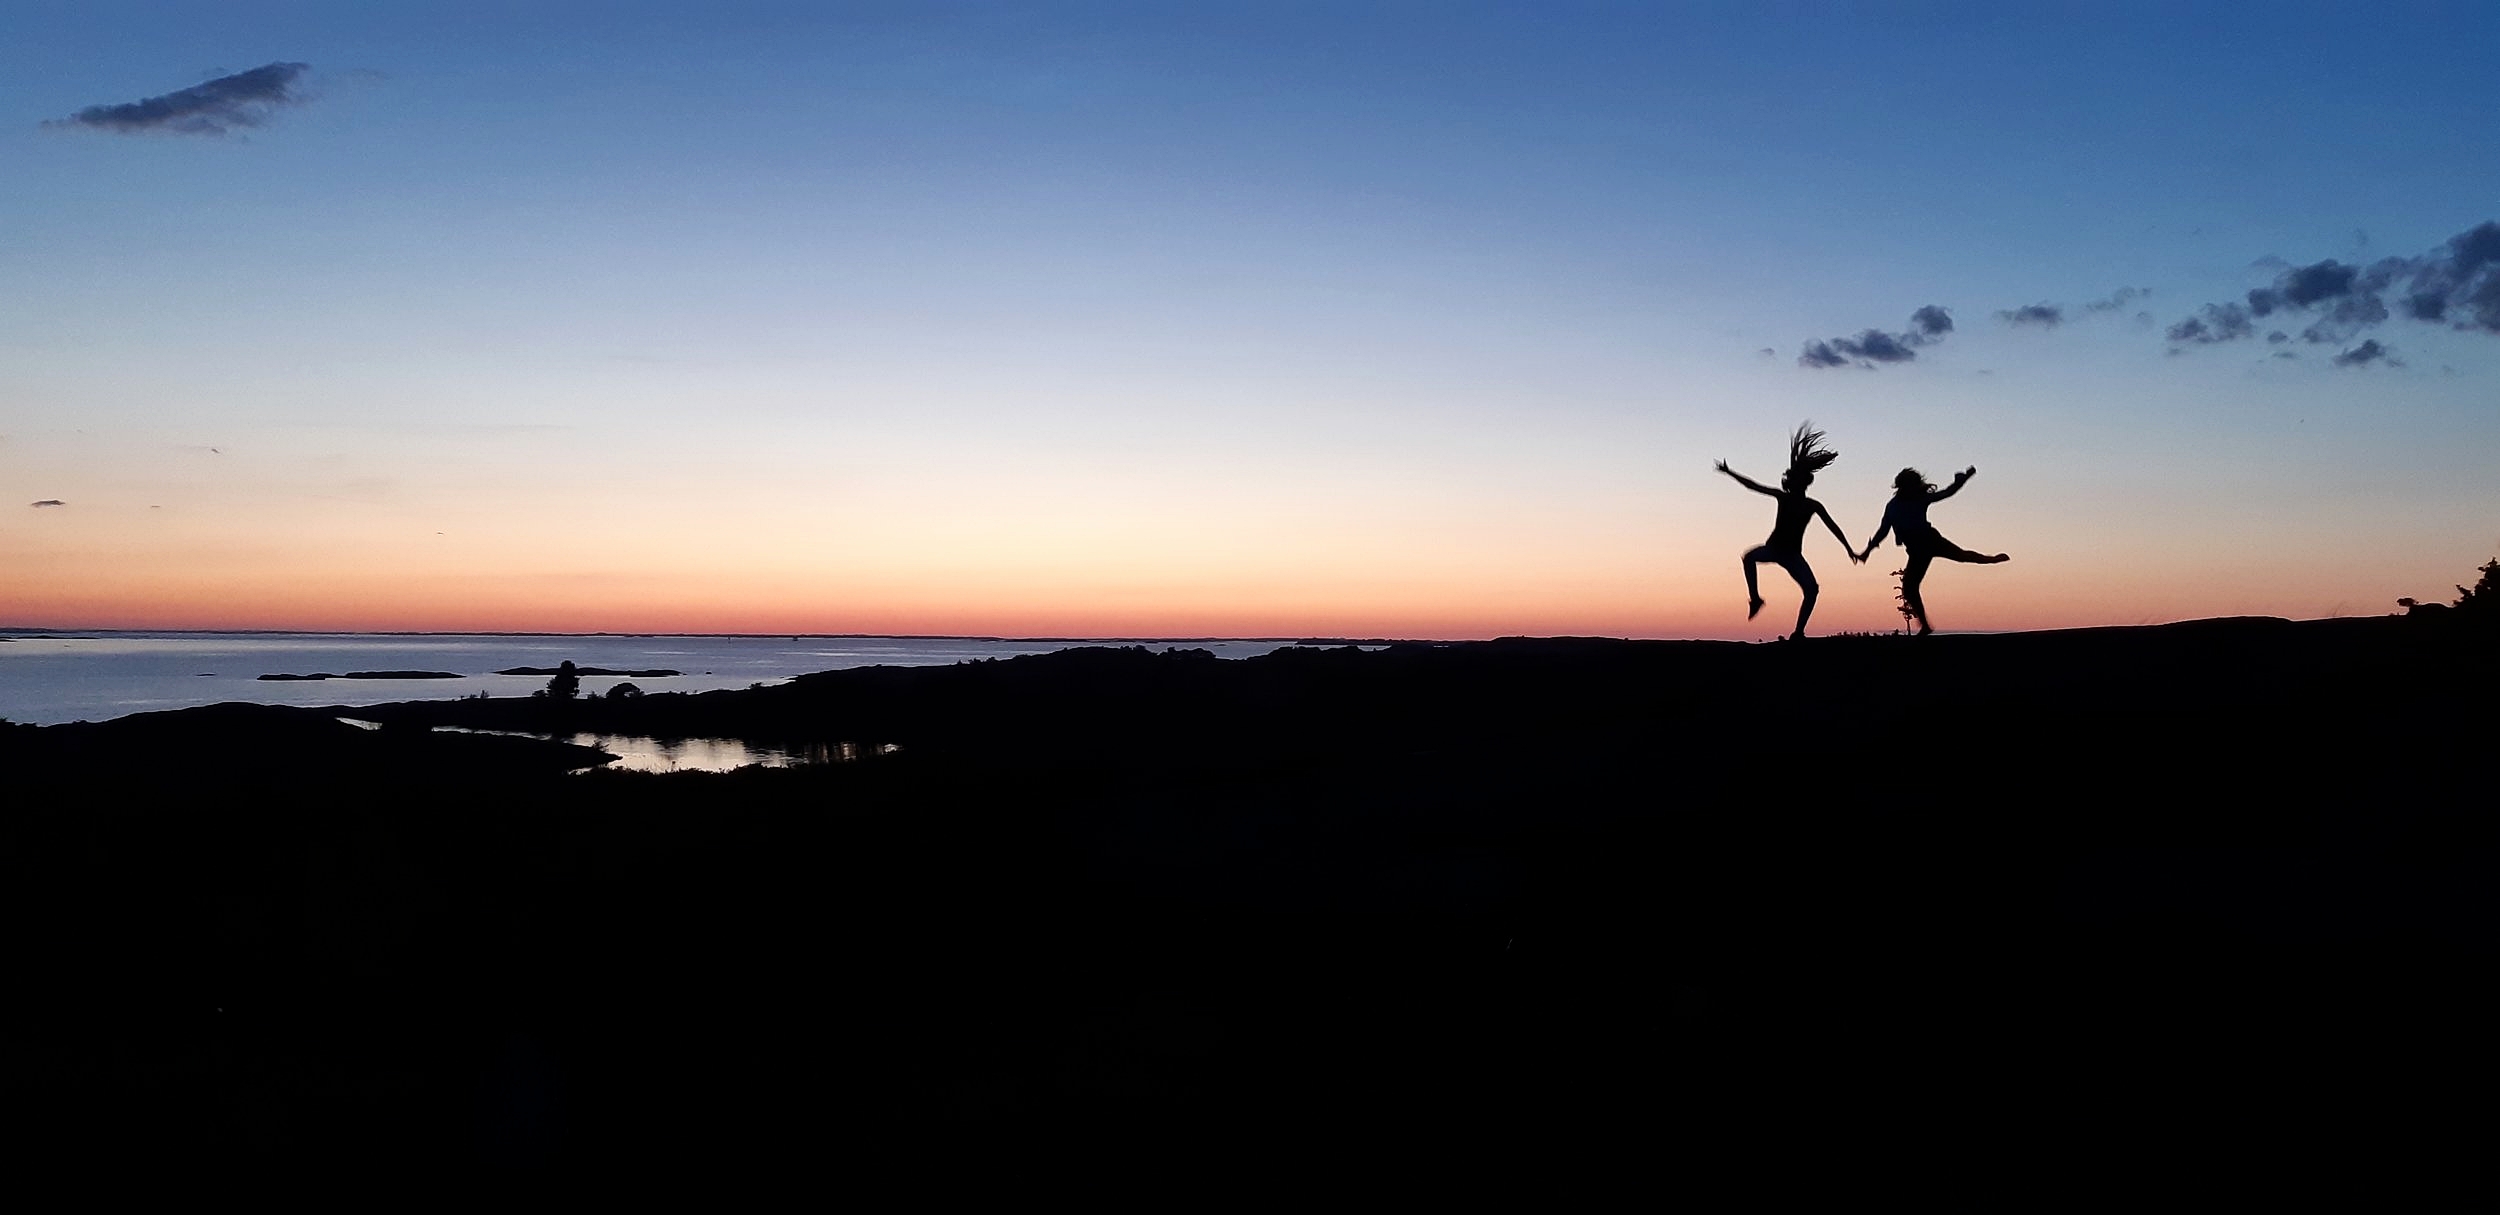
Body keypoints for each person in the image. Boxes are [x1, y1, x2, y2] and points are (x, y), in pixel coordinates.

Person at [1716, 423, 1862, 640]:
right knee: (1749, 557)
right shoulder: (1783, 498)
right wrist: (1730, 472)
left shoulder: (1812, 505)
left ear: (1805, 482)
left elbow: (1833, 527)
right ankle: (1756, 599)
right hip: (1774, 549)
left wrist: (1849, 549)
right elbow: (1753, 486)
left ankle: (1799, 632)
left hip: (1792, 555)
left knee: (1812, 590)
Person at [1863, 466, 2009, 635]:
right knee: (1909, 589)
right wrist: (1868, 550)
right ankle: (1925, 626)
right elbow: (1883, 531)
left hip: (1930, 540)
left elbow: (1946, 493)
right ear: (1901, 486)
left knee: (1962, 556)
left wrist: (1961, 481)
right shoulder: (1892, 507)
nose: (1912, 490)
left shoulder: (1919, 499)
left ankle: (1992, 559)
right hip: (1916, 550)